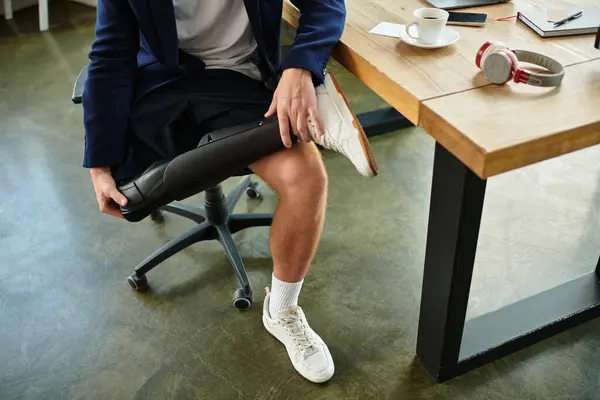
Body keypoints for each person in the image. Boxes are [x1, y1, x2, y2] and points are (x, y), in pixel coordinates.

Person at [83, 0, 378, 384]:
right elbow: (110, 55)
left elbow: (326, 3)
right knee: (131, 199)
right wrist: (98, 164)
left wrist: (301, 66)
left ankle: (283, 311)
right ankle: (317, 117)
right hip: (166, 87)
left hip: (244, 84)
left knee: (308, 180)